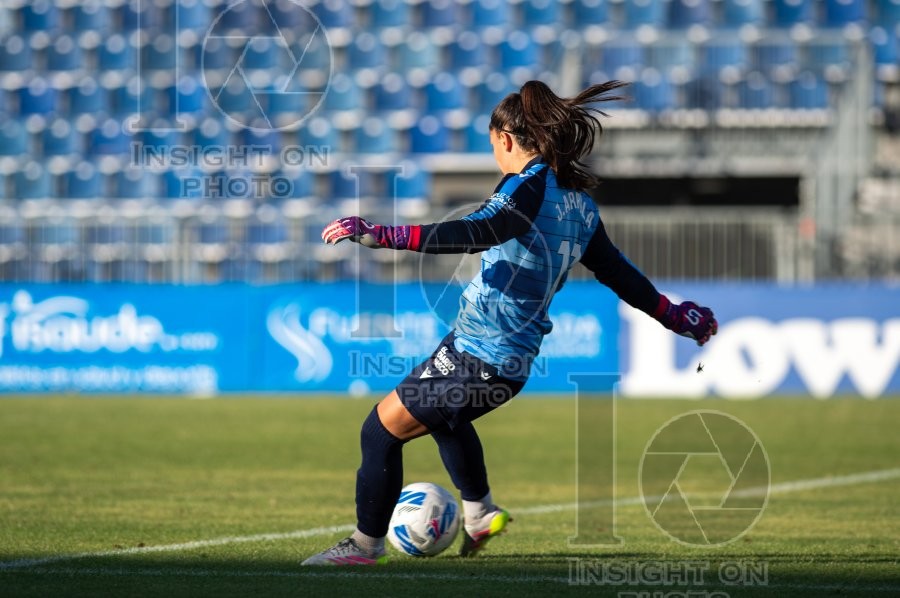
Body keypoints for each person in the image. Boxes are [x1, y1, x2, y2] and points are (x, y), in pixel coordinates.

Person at [302, 80, 717, 566]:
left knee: (379, 431)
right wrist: (671, 313)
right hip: (502, 358)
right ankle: (478, 512)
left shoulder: (527, 186)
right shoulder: (579, 204)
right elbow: (617, 271)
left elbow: (482, 229)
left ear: (505, 138)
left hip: (482, 354)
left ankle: (364, 547)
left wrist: (384, 234)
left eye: (492, 142)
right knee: (444, 420)